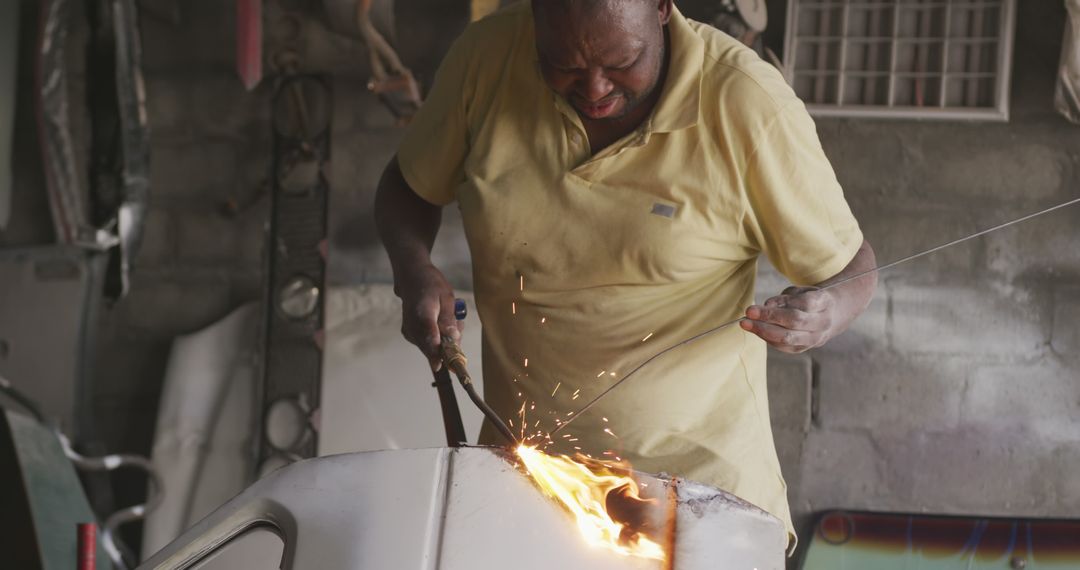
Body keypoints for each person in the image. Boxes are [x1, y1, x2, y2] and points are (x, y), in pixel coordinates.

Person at [374, 0, 877, 546]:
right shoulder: (486, 60)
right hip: (525, 489)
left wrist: (824, 314)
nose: (593, 89)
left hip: (697, 507)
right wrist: (413, 268)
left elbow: (854, 270)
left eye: (621, 61)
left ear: (662, 8)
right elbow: (407, 187)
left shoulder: (745, 103)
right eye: (563, 63)